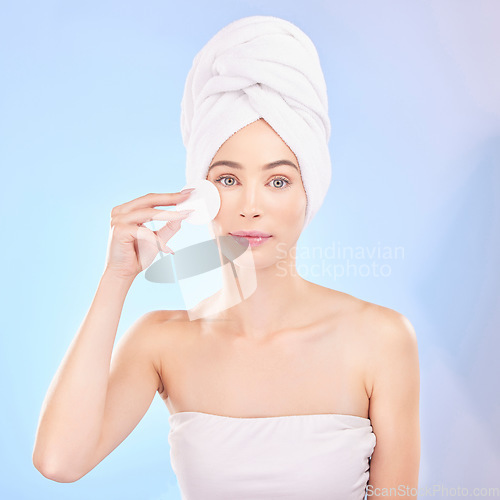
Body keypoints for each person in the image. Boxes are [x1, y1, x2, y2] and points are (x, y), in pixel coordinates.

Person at [32, 15, 420, 499]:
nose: (251, 206)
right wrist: (116, 278)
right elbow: (58, 461)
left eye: (278, 180)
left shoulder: (381, 339)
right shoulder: (161, 341)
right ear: (201, 194)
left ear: (309, 193)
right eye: (228, 179)